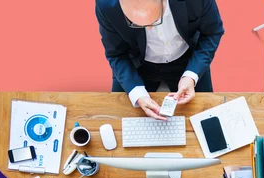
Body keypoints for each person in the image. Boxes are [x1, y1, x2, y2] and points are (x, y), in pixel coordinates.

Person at [95, 0, 224, 120]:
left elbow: (212, 32)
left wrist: (191, 75)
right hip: (136, 65)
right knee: (117, 118)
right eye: (136, 23)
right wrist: (138, 94)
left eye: (155, 21)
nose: (149, 29)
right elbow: (116, 54)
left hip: (188, 60)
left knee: (206, 117)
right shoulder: (106, 5)